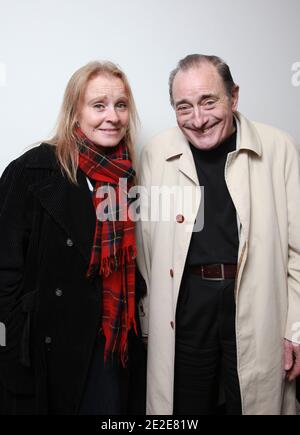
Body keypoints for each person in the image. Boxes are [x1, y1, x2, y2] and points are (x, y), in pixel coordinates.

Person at [137, 54, 300, 415]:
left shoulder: (279, 148)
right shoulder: (155, 153)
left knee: (253, 402)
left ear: (234, 96)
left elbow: (298, 253)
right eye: (184, 107)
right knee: (185, 405)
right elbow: (146, 251)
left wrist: (296, 329)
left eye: (209, 101)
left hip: (256, 301)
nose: (198, 119)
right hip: (187, 302)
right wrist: (149, 320)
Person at [0, 60, 146, 415]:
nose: (112, 116)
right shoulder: (32, 170)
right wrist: (14, 350)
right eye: (99, 105)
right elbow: (4, 271)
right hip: (44, 349)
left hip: (110, 342)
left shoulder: (125, 174)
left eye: (121, 105)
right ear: (74, 112)